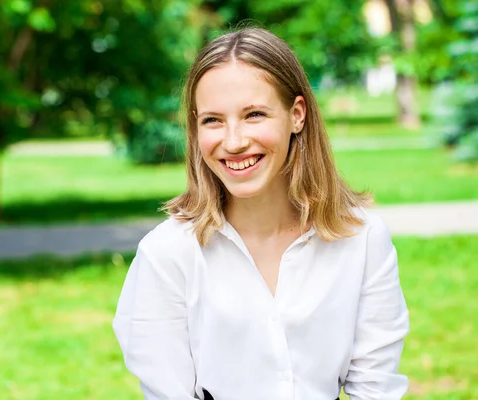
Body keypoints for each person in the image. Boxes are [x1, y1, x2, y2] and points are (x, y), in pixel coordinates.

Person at [113, 27, 409, 400]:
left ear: (296, 115)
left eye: (254, 114)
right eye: (213, 120)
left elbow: (376, 389)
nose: (234, 141)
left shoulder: (362, 239)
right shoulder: (167, 253)